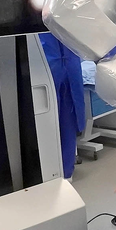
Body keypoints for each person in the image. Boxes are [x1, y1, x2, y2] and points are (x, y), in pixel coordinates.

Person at [40, 32, 87, 178]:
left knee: (68, 121)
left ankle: (66, 172)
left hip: (68, 65)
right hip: (46, 66)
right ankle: (51, 173)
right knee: (45, 121)